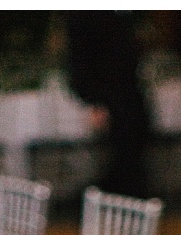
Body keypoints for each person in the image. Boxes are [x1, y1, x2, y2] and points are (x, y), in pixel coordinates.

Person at [63, 12, 151, 198]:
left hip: (123, 96)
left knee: (129, 162)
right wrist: (94, 101)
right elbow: (81, 59)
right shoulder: (85, 17)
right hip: (114, 96)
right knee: (125, 163)